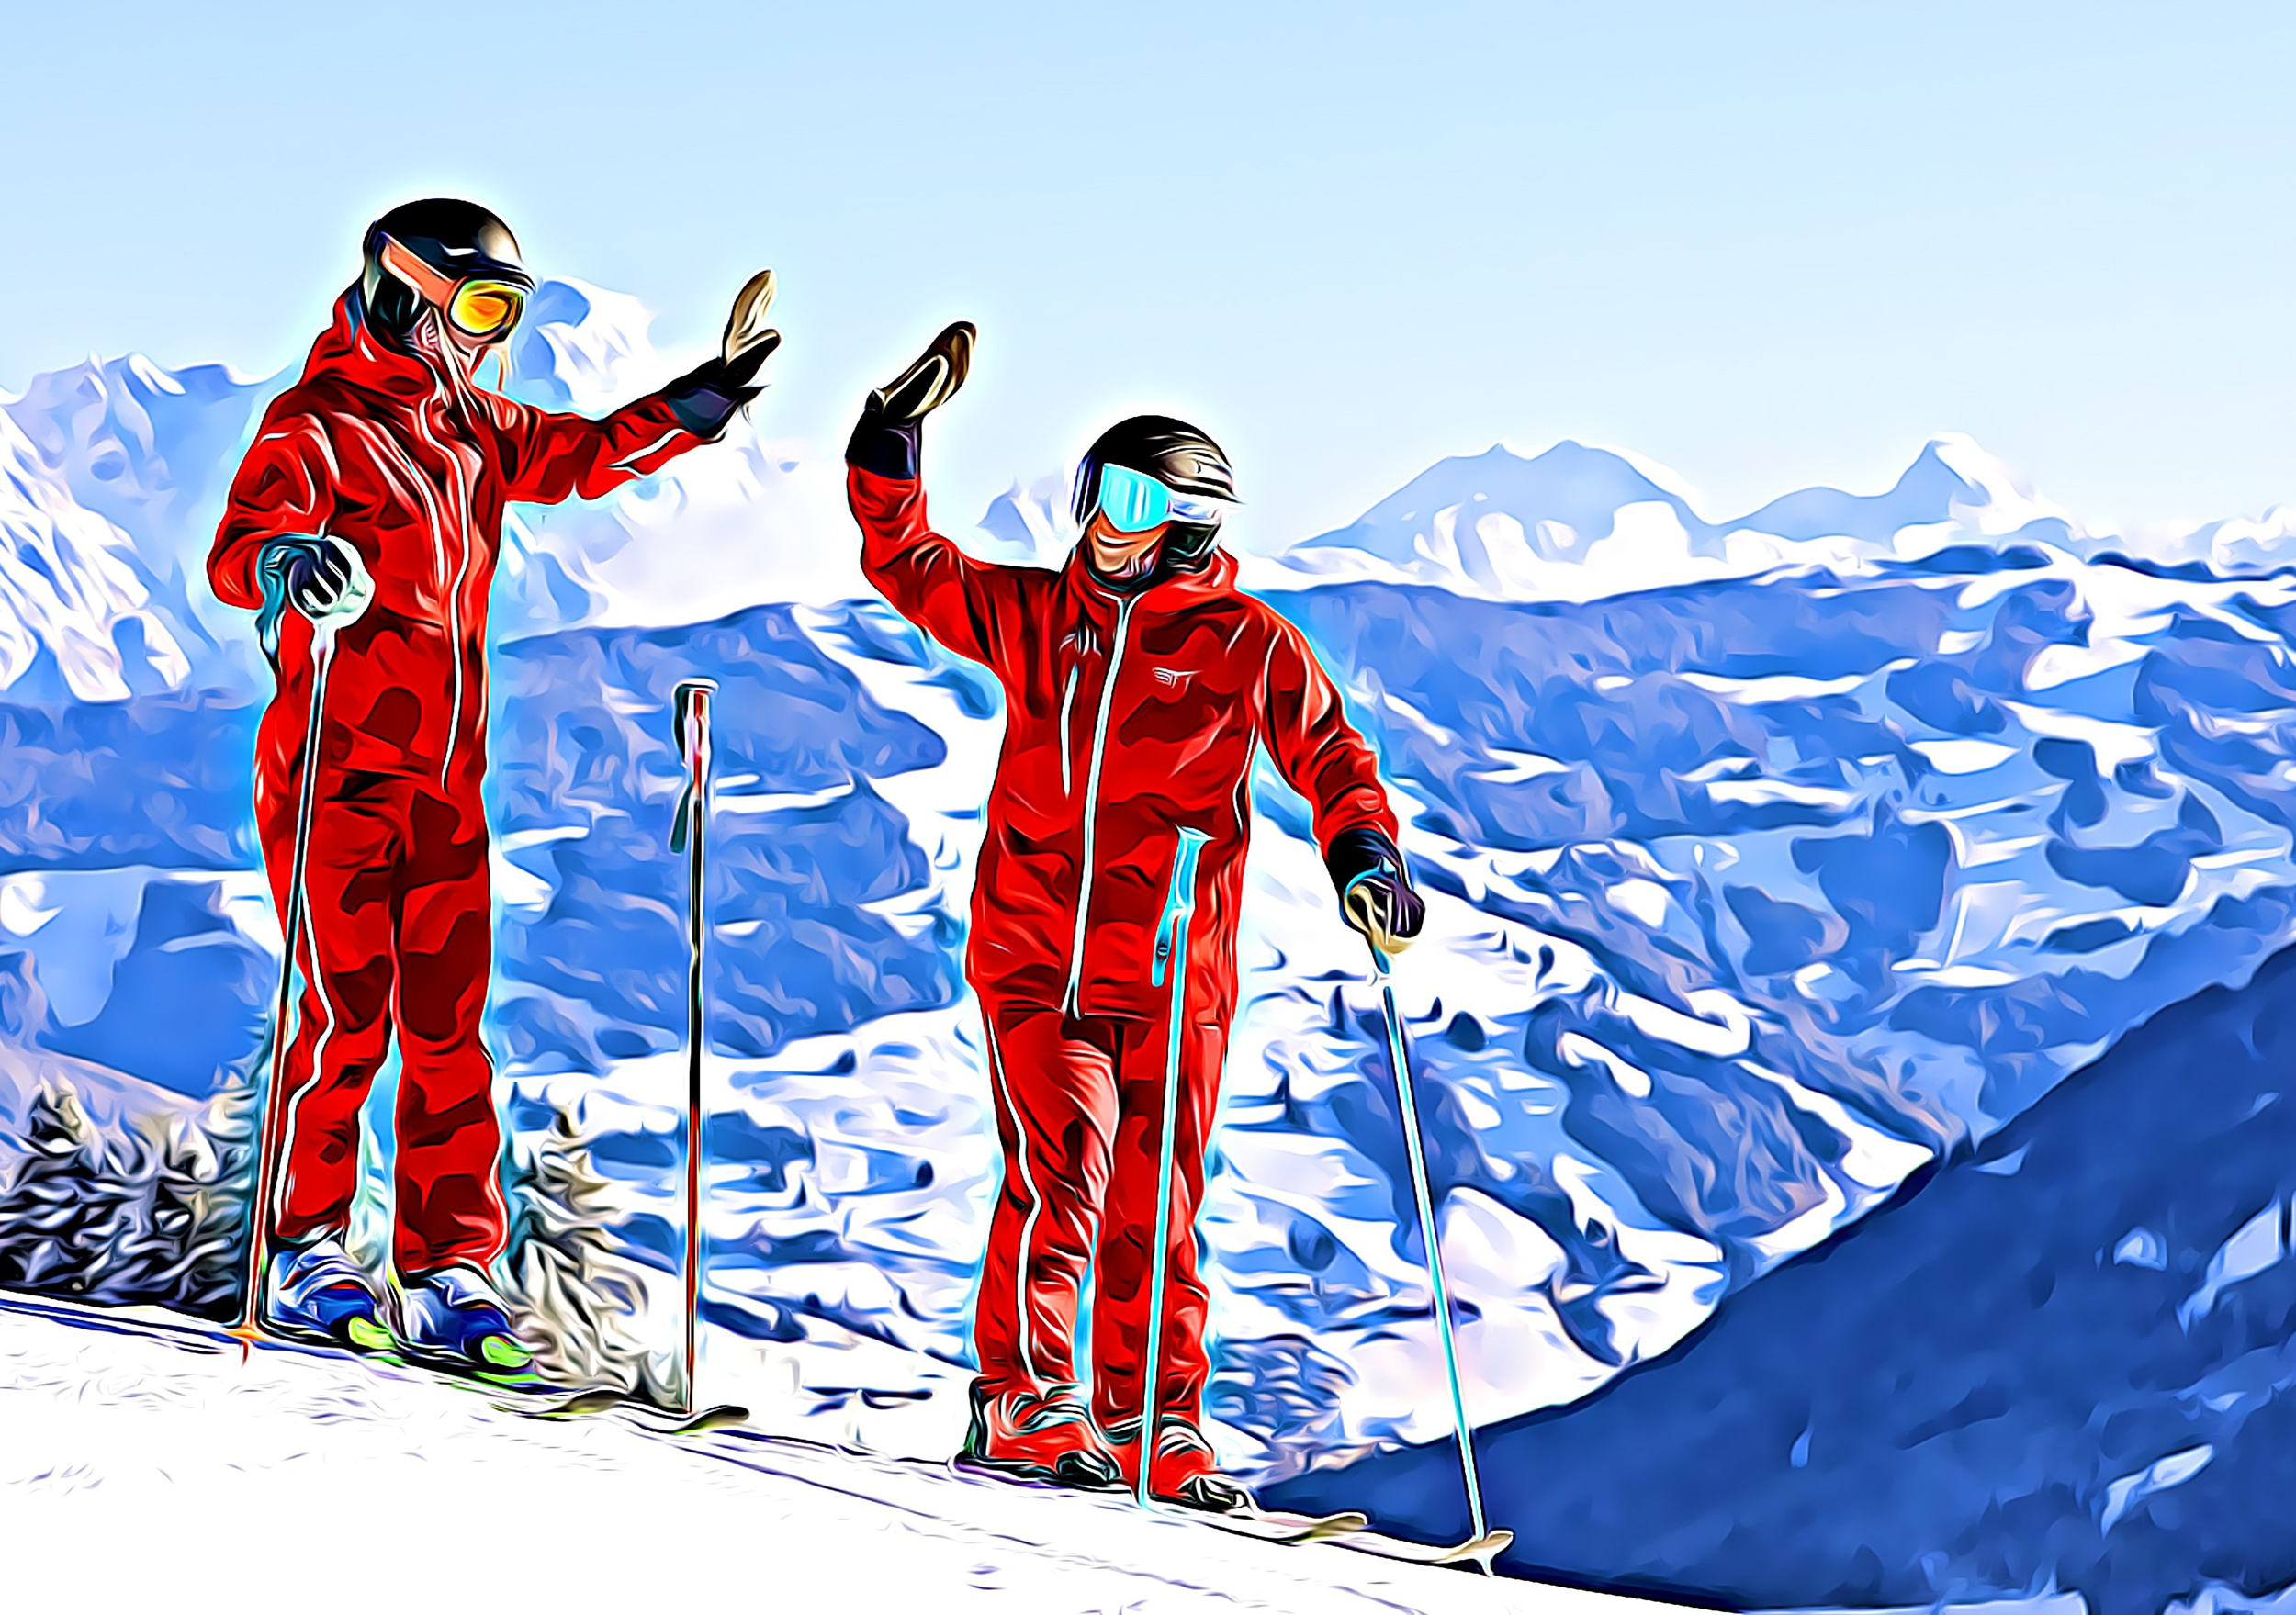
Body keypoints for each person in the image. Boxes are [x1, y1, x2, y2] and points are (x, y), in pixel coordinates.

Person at [843, 324, 1426, 1509]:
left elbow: (1328, 752)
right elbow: (908, 562)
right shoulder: (1034, 616)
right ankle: (1025, 1397)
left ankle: (1151, 1417)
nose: (1100, 518)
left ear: (1190, 519)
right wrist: (887, 440)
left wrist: (1365, 851)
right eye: (1096, 488)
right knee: (1064, 1169)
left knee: (1158, 1203)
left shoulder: (1243, 644)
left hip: (1175, 982)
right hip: (1035, 959)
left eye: (1131, 496)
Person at [207, 198, 779, 1369]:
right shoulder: (316, 423)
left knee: (447, 1025)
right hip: (334, 768)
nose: (484, 338)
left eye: (505, 316)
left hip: (443, 778)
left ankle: (446, 1263)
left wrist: (697, 404)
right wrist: (287, 559)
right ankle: (305, 1241)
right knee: (341, 1015)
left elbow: (577, 455)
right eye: (474, 306)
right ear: (402, 289)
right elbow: (236, 550)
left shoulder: (467, 426)